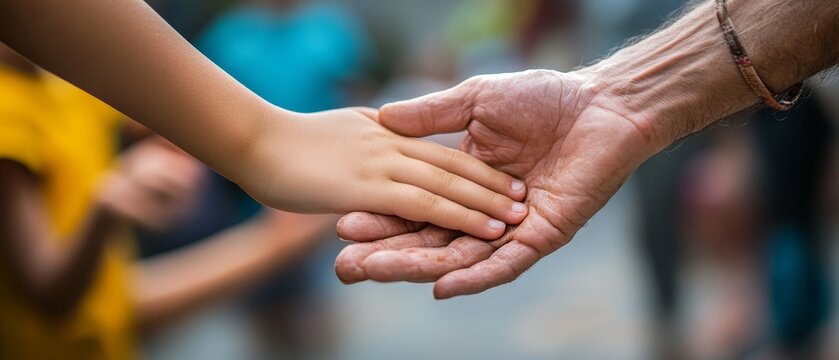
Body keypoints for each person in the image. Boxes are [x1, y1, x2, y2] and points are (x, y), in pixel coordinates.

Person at [334, 0, 839, 298]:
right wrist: (606, 94)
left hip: (737, 108)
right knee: (660, 220)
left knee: (768, 216)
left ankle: (764, 309)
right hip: (634, 111)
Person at [0, 0, 528, 240]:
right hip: (260, 191)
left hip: (327, 174)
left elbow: (357, 80)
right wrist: (258, 145)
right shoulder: (232, 34)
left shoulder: (330, 26)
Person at [0, 47, 341, 358]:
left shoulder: (58, 81)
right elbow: (47, 293)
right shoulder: (9, 111)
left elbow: (138, 117)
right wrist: (108, 207)